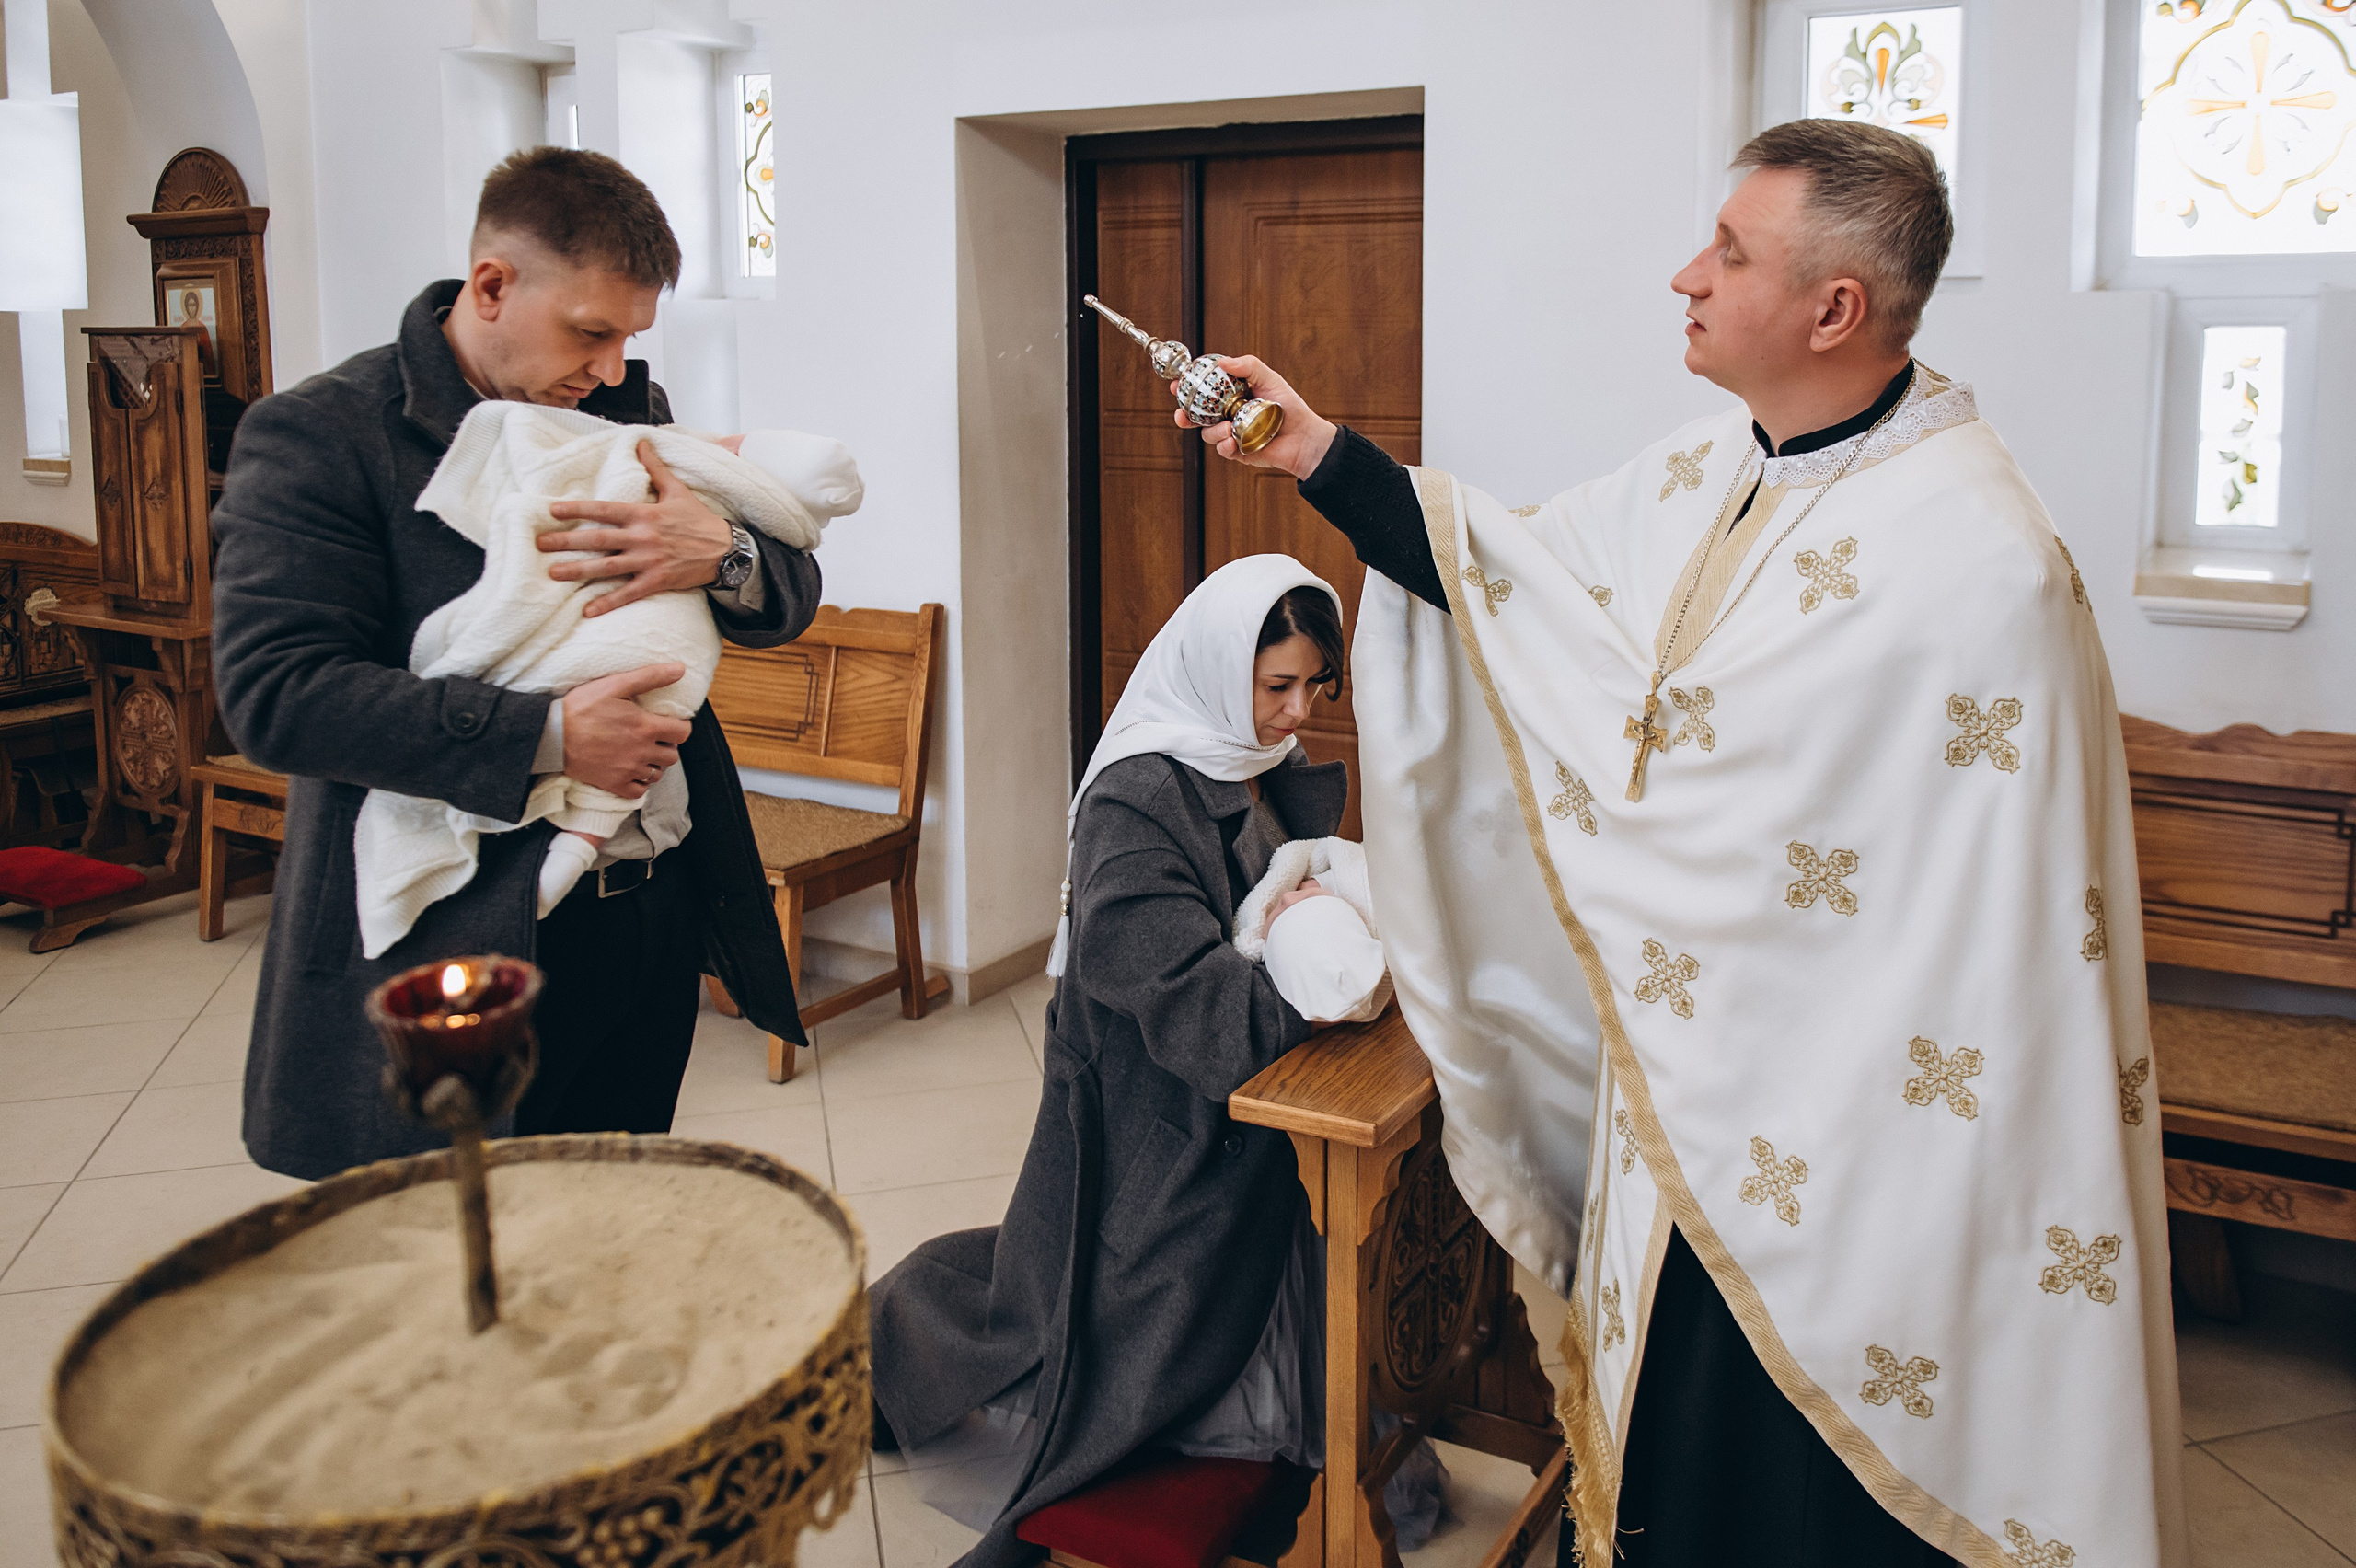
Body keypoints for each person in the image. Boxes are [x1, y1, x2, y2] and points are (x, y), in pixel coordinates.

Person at [1190, 122, 2184, 1566]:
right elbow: (1512, 579)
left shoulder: (1983, 564)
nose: (1686, 277)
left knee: (1820, 1487)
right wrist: (1314, 453)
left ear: (1834, 308)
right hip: (1701, 1076)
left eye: (1729, 252)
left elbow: (1989, 918)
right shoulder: (1717, 467)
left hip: (1883, 1136)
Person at [213, 146, 819, 1181]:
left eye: (629, 338)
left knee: (606, 1214)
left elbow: (788, 595)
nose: (613, 369)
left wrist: (720, 552)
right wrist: (548, 736)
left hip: (650, 902)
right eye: (591, 332)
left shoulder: (621, 416)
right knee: (462, 1234)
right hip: (464, 931)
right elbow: (275, 697)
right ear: (491, 286)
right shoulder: (324, 435)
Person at [867, 556, 1354, 1568]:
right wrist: (1320, 961)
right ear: (1219, 669)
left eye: (1316, 686)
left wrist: (1318, 933)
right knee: (1086, 1336)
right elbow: (1204, 1013)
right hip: (1149, 1128)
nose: (1298, 712)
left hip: (1221, 1113)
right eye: (1279, 685)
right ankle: (905, 1380)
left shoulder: (1248, 757)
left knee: (1167, 1303)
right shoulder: (1136, 804)